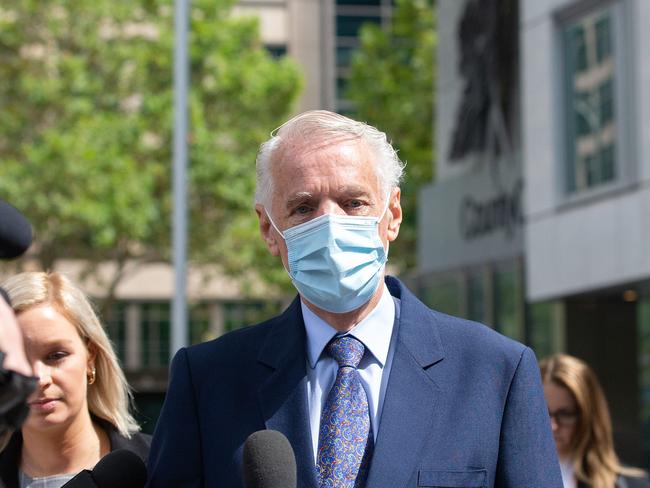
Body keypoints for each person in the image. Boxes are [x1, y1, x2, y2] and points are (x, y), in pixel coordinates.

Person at [147, 110, 562, 487]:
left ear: (392, 215)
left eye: (353, 203)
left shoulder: (495, 372)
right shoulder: (208, 381)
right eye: (304, 208)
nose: (331, 225)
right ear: (269, 229)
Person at [0, 271, 150, 488]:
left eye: (56, 356)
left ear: (91, 357)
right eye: (20, 357)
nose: (40, 378)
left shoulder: (161, 466)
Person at [541, 353, 650, 488]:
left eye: (565, 414)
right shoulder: (512, 478)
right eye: (543, 413)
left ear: (589, 417)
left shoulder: (630, 484)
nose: (553, 426)